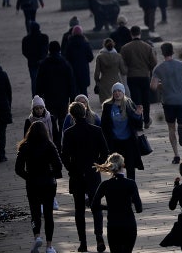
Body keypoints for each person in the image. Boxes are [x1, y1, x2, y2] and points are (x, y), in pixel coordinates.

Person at [61, 102, 109, 253]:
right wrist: (98, 165)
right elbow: (105, 151)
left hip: (76, 174)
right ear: (85, 112)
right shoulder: (96, 130)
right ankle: (99, 237)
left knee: (79, 209)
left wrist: (71, 169)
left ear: (72, 115)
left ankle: (83, 242)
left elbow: (64, 156)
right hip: (92, 173)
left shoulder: (68, 133)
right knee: (96, 207)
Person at [15, 121, 63, 253]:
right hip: (48, 183)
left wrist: (28, 177)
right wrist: (51, 174)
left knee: (35, 212)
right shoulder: (49, 145)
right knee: (48, 214)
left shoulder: (24, 146)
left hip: (32, 183)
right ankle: (49, 246)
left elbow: (18, 169)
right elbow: (59, 165)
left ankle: (37, 236)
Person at [150, 42, 182, 164]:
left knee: (170, 128)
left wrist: (163, 86)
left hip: (168, 101)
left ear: (162, 53)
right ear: (173, 52)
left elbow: (153, 86)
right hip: (181, 100)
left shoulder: (158, 68)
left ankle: (176, 155)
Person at [92, 153, 143, 253]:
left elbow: (94, 205)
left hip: (113, 226)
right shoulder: (130, 183)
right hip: (129, 225)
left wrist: (108, 207)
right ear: (123, 165)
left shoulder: (105, 185)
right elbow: (139, 209)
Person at [100, 82, 144, 180]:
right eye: (115, 91)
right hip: (114, 141)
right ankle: (118, 186)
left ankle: (131, 188)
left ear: (123, 92)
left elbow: (138, 126)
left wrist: (138, 115)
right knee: (116, 167)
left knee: (130, 167)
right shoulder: (107, 106)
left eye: (119, 91)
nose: (117, 93)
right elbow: (103, 125)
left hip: (129, 140)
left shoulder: (129, 103)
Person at [120, 25, 157, 129]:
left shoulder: (125, 48)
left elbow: (122, 63)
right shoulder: (147, 47)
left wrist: (128, 68)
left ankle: (138, 120)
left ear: (131, 34)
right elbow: (154, 63)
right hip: (145, 76)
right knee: (146, 99)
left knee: (136, 100)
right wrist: (148, 68)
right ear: (140, 33)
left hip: (132, 76)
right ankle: (146, 120)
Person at [36, 41, 76, 124]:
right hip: (63, 97)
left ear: (49, 50)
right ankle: (60, 136)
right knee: (63, 120)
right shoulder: (65, 64)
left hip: (49, 96)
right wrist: (72, 98)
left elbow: (39, 81)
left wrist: (38, 96)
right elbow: (71, 82)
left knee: (51, 119)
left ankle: (54, 136)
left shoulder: (44, 64)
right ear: (59, 50)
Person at [94, 38, 127, 105]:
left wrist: (97, 81)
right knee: (117, 103)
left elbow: (96, 73)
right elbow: (123, 71)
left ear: (104, 46)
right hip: (116, 81)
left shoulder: (100, 57)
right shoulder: (118, 56)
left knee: (106, 105)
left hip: (104, 83)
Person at [64, 25, 94, 96]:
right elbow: (91, 57)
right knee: (84, 91)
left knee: (75, 92)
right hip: (83, 70)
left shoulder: (69, 44)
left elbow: (66, 57)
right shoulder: (85, 44)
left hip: (73, 71)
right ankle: (85, 106)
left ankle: (76, 106)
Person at [21, 21, 49, 97]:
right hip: (43, 63)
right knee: (45, 81)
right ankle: (44, 97)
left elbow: (24, 52)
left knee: (34, 82)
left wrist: (31, 58)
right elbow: (46, 50)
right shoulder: (44, 37)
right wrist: (42, 58)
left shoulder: (26, 39)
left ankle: (35, 98)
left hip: (32, 63)